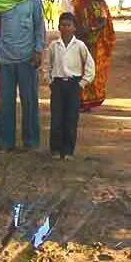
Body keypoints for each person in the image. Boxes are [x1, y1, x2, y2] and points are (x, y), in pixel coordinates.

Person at [0, 0, 45, 151]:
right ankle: (5, 141)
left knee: (30, 101)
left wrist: (38, 50)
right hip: (5, 59)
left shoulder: (33, 0)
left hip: (27, 59)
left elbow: (39, 28)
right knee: (6, 102)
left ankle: (31, 141)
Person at [48, 12, 95, 160]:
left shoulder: (80, 46)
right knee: (56, 118)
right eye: (63, 25)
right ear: (59, 27)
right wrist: (50, 81)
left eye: (69, 25)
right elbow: (47, 65)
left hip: (74, 85)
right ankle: (55, 149)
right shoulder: (54, 46)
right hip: (58, 85)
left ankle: (68, 151)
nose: (66, 28)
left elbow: (90, 66)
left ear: (74, 28)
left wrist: (82, 83)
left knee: (71, 119)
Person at [73, 0, 116, 111]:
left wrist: (91, 29)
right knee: (78, 70)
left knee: (92, 70)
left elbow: (103, 21)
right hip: (80, 41)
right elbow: (72, 21)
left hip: (97, 42)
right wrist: (79, 32)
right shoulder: (78, 4)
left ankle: (89, 100)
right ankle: (79, 100)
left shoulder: (100, 4)